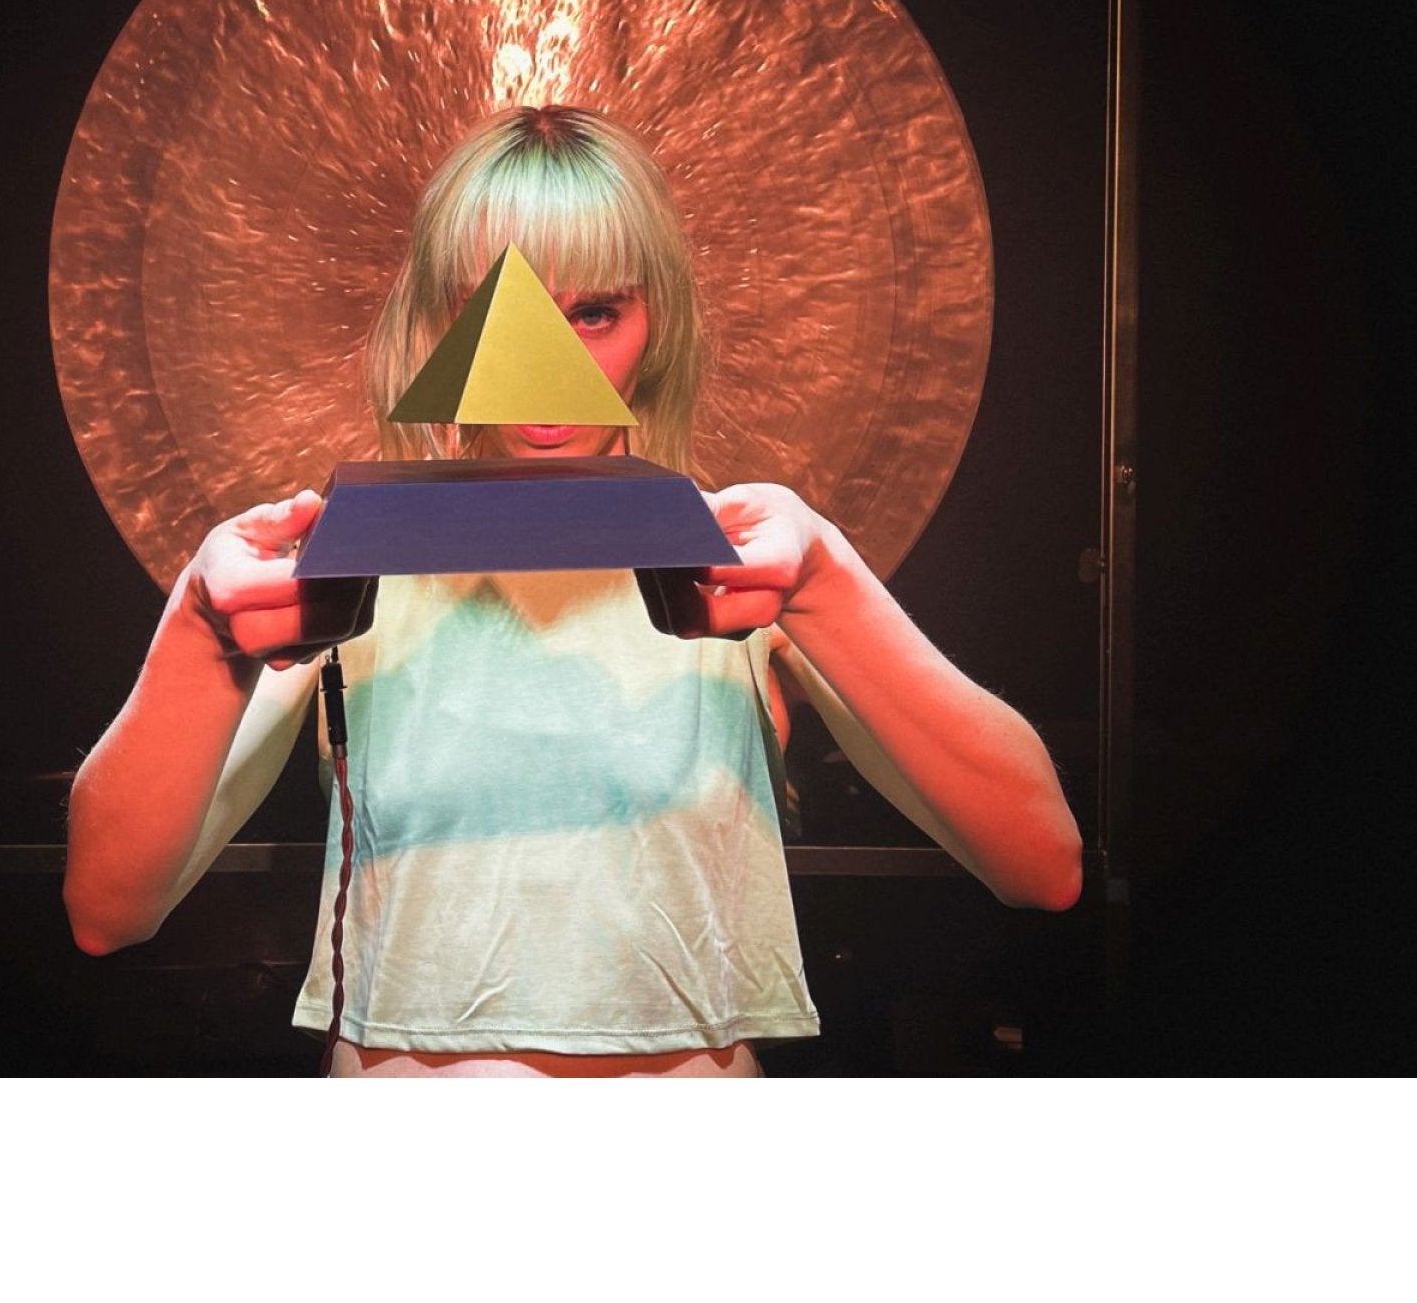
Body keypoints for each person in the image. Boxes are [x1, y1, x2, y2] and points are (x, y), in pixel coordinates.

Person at [63, 107, 1083, 1077]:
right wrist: (198, 628)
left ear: (658, 320)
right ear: (435, 323)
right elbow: (109, 908)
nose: (548, 373)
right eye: (497, 315)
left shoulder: (743, 568)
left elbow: (1041, 864)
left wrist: (826, 583)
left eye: (594, 312)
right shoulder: (346, 570)